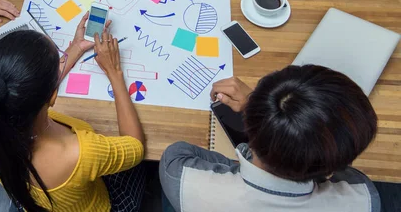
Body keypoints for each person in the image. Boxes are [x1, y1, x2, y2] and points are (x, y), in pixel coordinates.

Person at [0, 15, 146, 212]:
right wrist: (114, 72)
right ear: (53, 97)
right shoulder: (80, 152)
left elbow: (26, 87)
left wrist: (76, 47)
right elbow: (136, 147)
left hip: (32, 202)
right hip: (97, 206)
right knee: (146, 165)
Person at [159, 65, 380, 212]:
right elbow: (349, 174)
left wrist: (259, 112)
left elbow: (177, 153)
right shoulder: (364, 199)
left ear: (248, 123)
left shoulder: (182, 178)